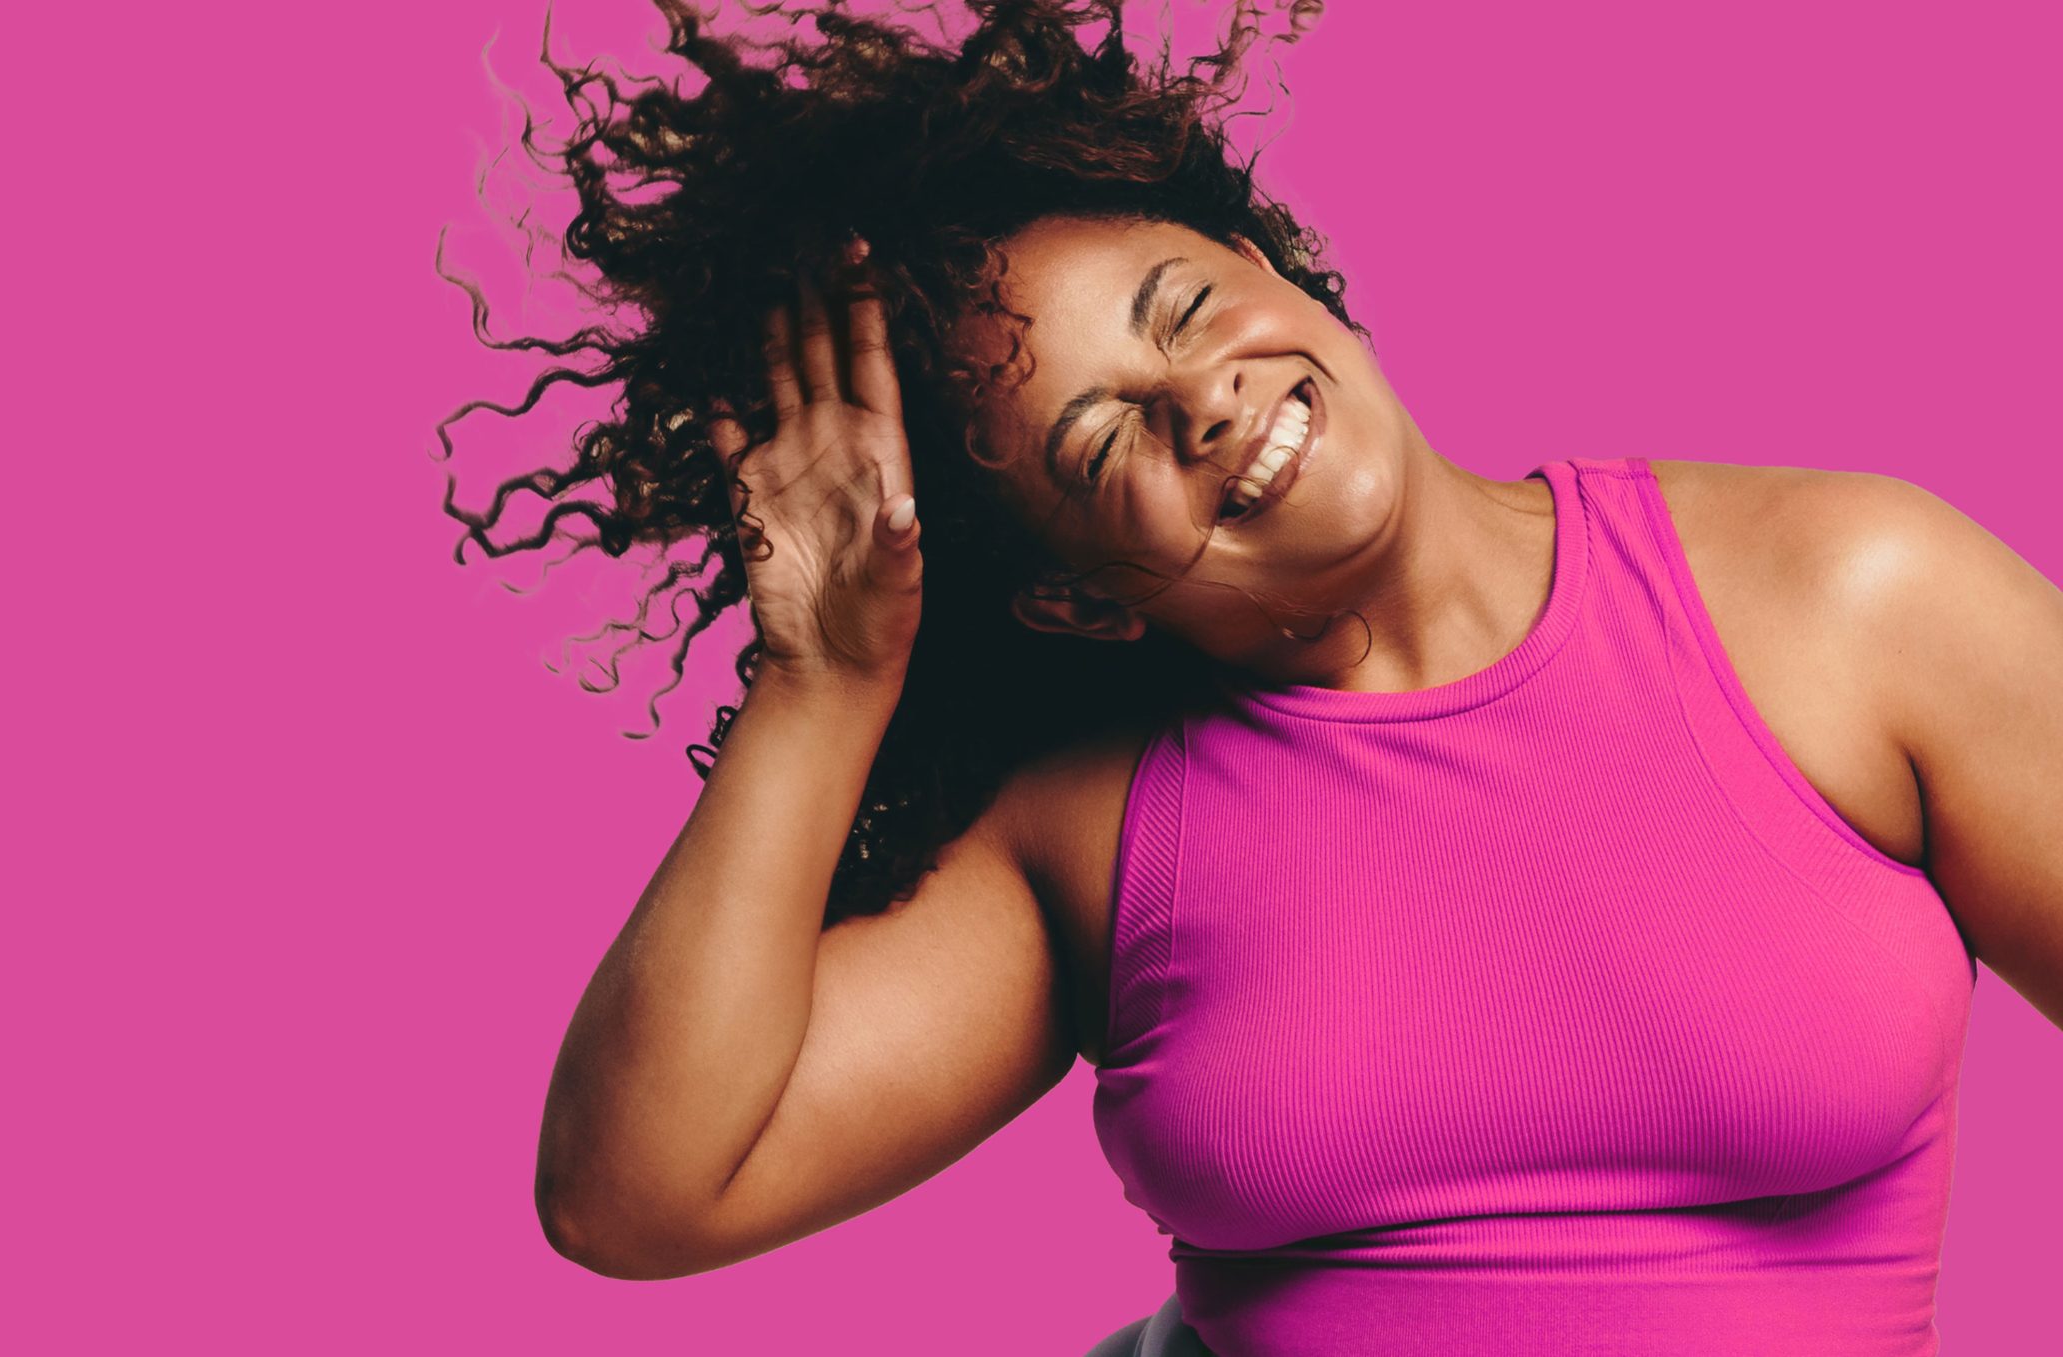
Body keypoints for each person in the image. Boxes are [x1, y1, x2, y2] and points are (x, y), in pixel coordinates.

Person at [445, 2, 2063, 1351]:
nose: (1199, 405)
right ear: (1080, 601)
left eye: (1188, 308)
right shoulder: (1093, 835)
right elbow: (631, 1195)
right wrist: (824, 672)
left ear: (1280, 267)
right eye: (1100, 441)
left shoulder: (1850, 597)